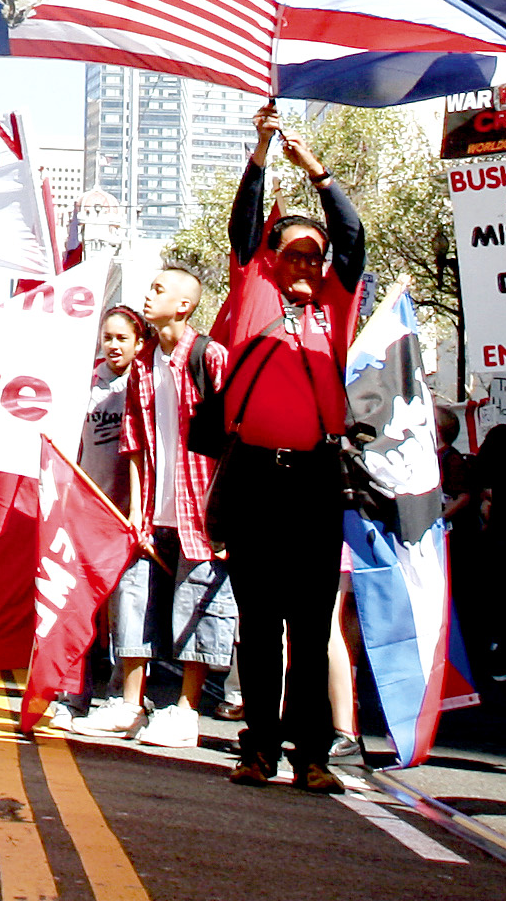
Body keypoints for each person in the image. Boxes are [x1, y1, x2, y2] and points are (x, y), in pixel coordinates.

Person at [212, 108, 365, 794]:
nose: (306, 263)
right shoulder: (254, 288)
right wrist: (262, 150)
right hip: (253, 478)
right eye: (294, 253)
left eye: (314, 255)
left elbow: (353, 237)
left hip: (314, 481)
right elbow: (244, 225)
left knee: (309, 620)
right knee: (259, 620)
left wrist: (317, 173)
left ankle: (313, 756)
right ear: (272, 259)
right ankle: (257, 749)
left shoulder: (334, 303)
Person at [125, 267, 232, 745]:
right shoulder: (142, 363)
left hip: (199, 511)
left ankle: (187, 711)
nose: (148, 297)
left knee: (197, 607)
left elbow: (232, 437)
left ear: (184, 305)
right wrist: (136, 509)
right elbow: (132, 439)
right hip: (153, 509)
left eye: (159, 289)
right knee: (135, 599)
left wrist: (225, 515)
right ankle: (130, 704)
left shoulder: (209, 356)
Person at [47, 305, 152, 734]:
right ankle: (73, 694)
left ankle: (121, 698)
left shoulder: (145, 384)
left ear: (139, 343)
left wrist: (139, 510)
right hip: (87, 512)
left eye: (122, 338)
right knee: (82, 605)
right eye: (107, 337)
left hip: (128, 517)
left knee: (128, 608)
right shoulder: (88, 384)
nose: (113, 345)